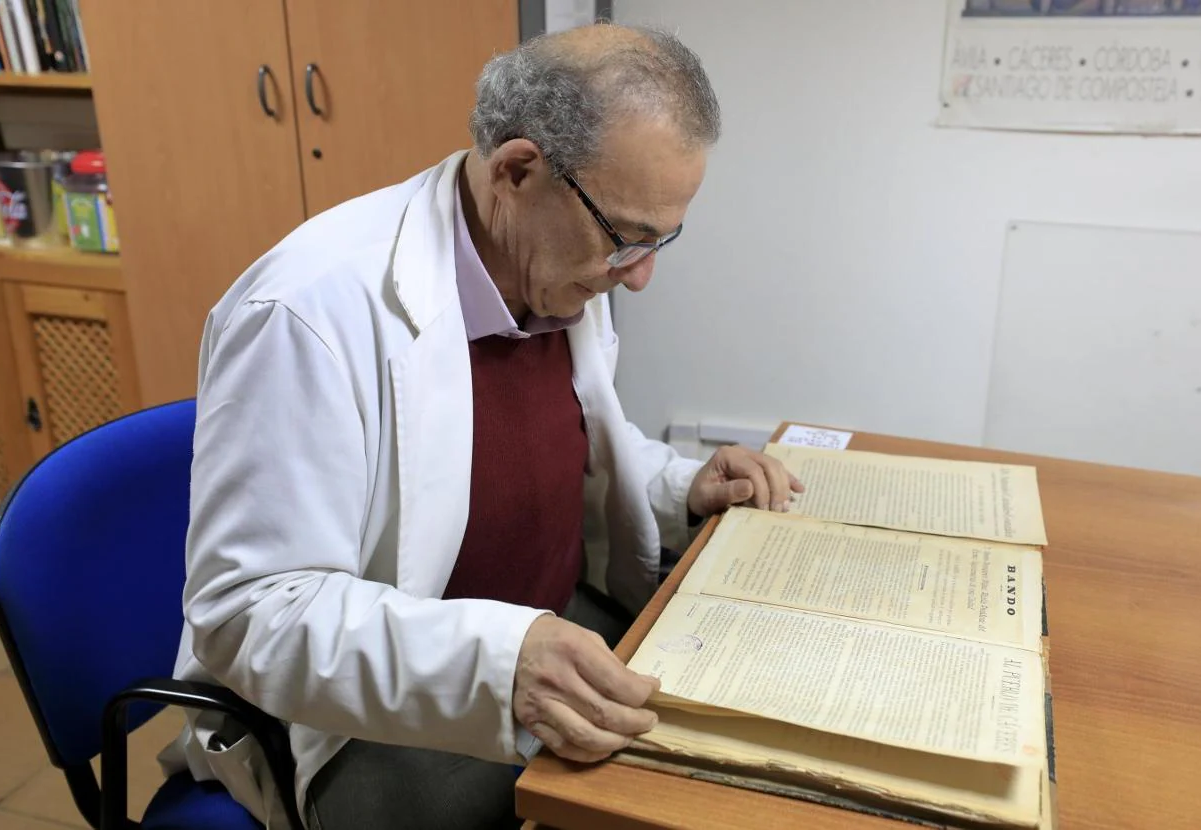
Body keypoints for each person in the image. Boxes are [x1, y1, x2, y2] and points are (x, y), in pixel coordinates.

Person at [157, 21, 802, 830]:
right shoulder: (307, 310)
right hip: (373, 721)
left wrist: (682, 488)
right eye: (627, 238)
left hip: (559, 628)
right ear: (519, 170)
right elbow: (249, 611)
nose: (639, 277)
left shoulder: (557, 271)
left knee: (750, 764)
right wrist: (496, 666)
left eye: (660, 239)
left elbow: (574, 444)